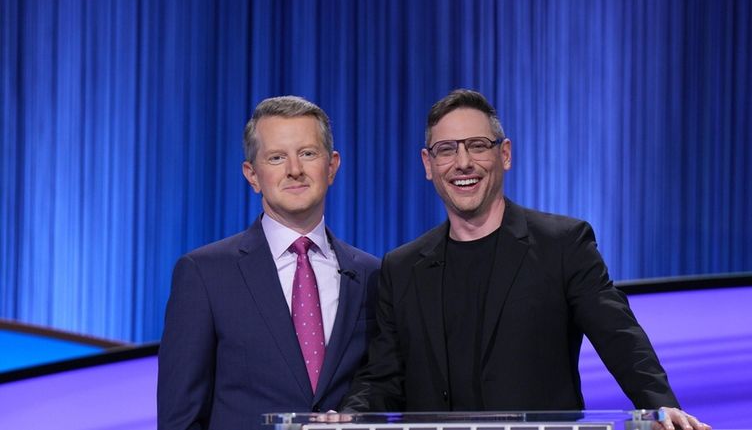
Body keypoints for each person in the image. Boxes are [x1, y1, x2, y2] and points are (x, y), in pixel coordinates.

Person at [341, 89, 709, 430]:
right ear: (428, 163)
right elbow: (383, 375)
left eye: (478, 145)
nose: (463, 162)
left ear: (504, 154)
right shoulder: (402, 267)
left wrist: (660, 406)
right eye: (447, 149)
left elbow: (619, 337)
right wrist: (350, 417)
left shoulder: (563, 244)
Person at [158, 96, 380, 430]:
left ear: (332, 166)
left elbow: (382, 384)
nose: (294, 170)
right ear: (252, 175)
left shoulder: (371, 274)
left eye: (307, 153)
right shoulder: (204, 273)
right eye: (276, 158)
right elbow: (181, 418)